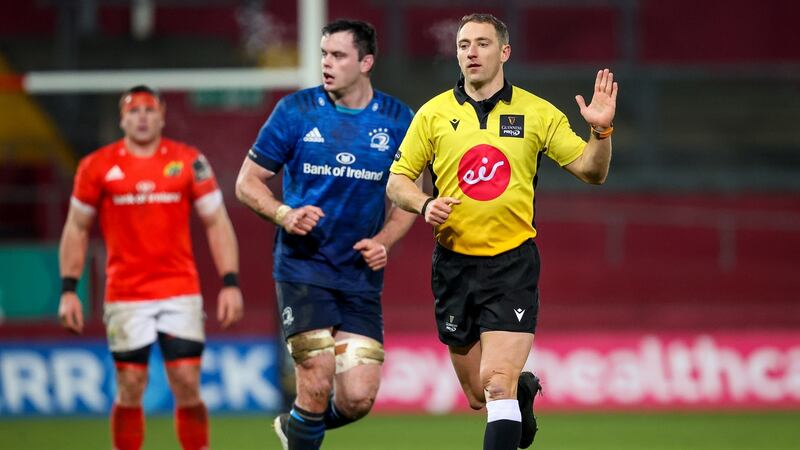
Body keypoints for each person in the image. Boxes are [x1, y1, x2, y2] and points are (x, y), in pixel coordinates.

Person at [386, 13, 618, 450]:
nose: (470, 52)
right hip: (453, 266)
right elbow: (397, 181)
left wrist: (600, 130)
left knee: (496, 385)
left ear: (504, 52)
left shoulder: (536, 112)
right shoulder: (433, 114)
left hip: (511, 265)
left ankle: (512, 392)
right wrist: (424, 203)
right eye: (462, 45)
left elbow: (592, 171)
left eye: (481, 43)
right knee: (478, 395)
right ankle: (523, 396)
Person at [235, 19, 417, 450]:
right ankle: (306, 424)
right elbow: (247, 182)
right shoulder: (296, 111)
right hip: (303, 269)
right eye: (323, 55)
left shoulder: (397, 119)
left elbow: (415, 194)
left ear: (366, 62)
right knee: (316, 378)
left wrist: (385, 241)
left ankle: (297, 427)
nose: (326, 64)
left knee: (357, 398)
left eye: (338, 55)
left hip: (358, 278)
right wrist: (284, 214)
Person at [57, 85, 244, 450]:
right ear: (122, 119)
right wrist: (68, 290)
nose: (142, 117)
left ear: (161, 116)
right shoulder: (96, 166)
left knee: (187, 381)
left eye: (149, 110)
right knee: (129, 386)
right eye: (133, 111)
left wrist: (230, 282)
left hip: (179, 290)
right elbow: (76, 228)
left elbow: (217, 222)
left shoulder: (189, 161)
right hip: (126, 294)